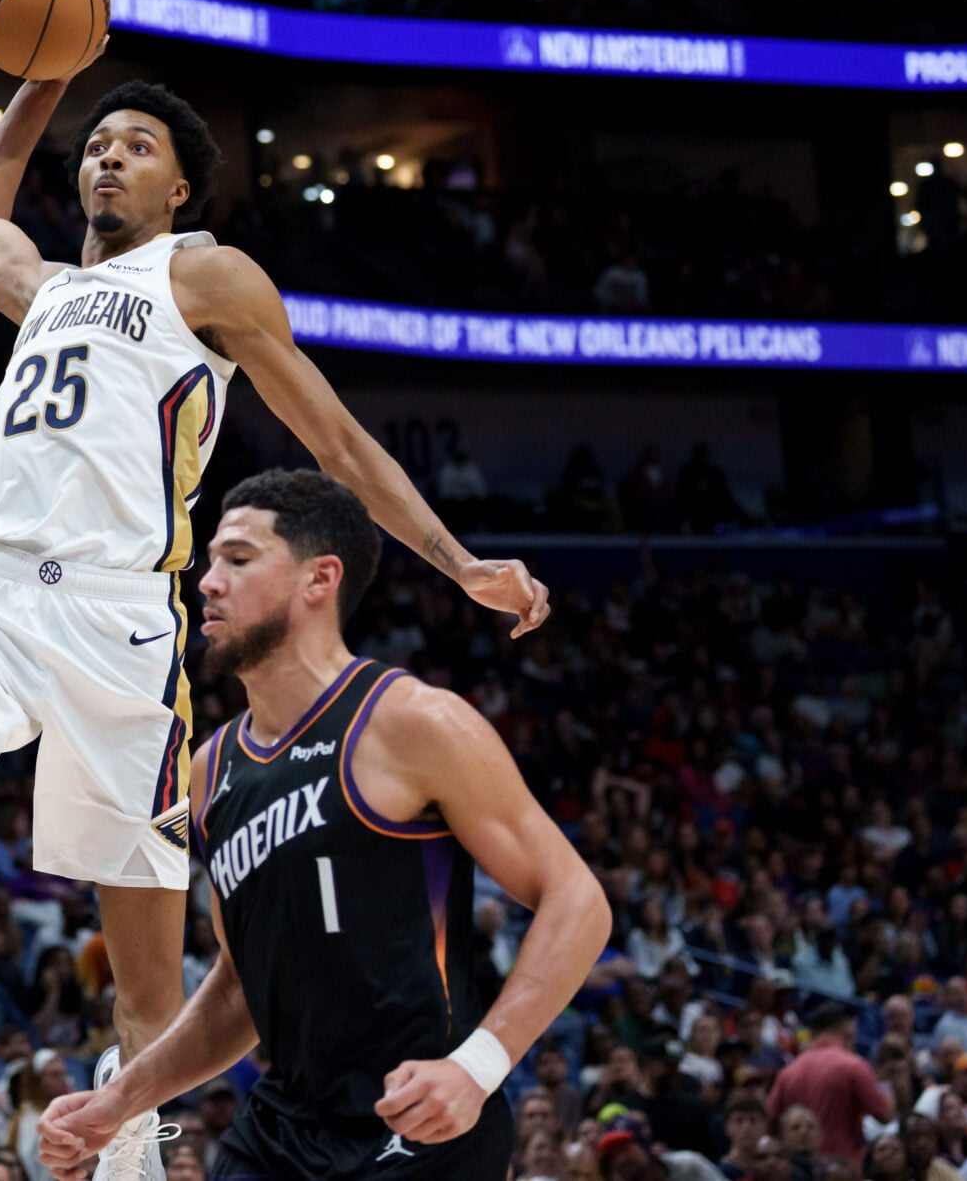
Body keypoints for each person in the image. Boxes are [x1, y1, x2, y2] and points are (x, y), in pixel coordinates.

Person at [0, 80, 552, 1176]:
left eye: (134, 147)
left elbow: (333, 440)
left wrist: (457, 561)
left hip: (124, 632)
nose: (106, 160)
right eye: (94, 146)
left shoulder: (202, 272)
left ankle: (135, 1135)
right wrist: (39, 82)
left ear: (180, 185)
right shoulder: (46, 289)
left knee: (147, 988)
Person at [37, 471, 606, 1181]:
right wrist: (120, 1100)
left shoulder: (411, 722)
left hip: (418, 1124)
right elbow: (243, 988)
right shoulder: (210, 771)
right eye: (210, 560)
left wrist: (479, 1066)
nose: (207, 581)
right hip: (280, 1132)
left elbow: (577, 900)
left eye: (238, 559)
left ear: (319, 578)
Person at [768, 1008, 892, 1164]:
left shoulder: (788, 1072)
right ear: (845, 1029)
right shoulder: (853, 1065)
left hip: (798, 1169)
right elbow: (885, 1115)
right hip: (843, 1167)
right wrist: (886, 1081)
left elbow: (770, 1122)